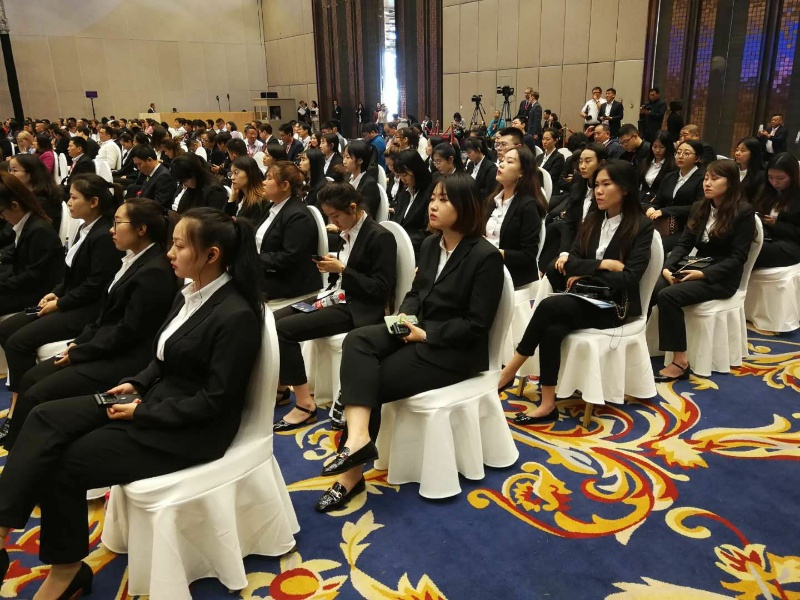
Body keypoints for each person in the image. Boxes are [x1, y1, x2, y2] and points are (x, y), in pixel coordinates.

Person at [0, 208, 262, 598]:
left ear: (211, 255)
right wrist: (137, 383)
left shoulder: (235, 314)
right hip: (152, 399)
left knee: (65, 462)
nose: (169, 253)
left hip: (189, 429)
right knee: (44, 416)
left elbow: (215, 403)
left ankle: (66, 572)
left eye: (178, 246)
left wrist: (143, 410)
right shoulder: (191, 292)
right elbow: (163, 356)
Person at [314, 173, 504, 512]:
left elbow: (476, 326)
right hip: (417, 329)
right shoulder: (430, 245)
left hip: (453, 350)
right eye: (433, 198)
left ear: (466, 206)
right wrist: (405, 316)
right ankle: (358, 440)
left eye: (443, 200)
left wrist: (426, 335)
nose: (433, 205)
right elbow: (417, 292)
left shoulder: (484, 256)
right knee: (358, 340)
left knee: (374, 378)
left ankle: (350, 476)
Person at [3, 199, 177, 451]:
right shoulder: (134, 259)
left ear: (141, 229)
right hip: (102, 344)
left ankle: (22, 454)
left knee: (37, 392)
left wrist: (81, 352)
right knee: (31, 378)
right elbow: (105, 317)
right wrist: (78, 343)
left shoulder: (154, 272)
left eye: (118, 223)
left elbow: (127, 333)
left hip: (123, 359)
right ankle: (18, 450)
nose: (111, 229)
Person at [500, 160, 654, 422]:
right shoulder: (593, 219)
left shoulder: (641, 226)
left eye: (606, 184)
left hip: (615, 305)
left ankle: (509, 372)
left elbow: (628, 278)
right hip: (583, 296)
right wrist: (603, 265)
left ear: (625, 188)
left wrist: (587, 270)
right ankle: (548, 403)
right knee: (552, 330)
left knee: (549, 306)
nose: (598, 191)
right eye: (596, 185)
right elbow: (568, 263)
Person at [0, 174, 124, 442]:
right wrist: (55, 293)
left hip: (86, 310)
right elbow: (70, 274)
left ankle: (18, 409)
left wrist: (60, 303)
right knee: (7, 329)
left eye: (74, 197)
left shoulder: (103, 236)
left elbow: (95, 286)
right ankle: (18, 400)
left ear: (93, 202)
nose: (68, 202)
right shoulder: (85, 228)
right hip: (70, 299)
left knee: (18, 342)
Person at [272, 181, 398, 429]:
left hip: (358, 306)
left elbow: (380, 290)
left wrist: (343, 270)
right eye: (330, 216)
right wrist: (336, 266)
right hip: (336, 295)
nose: (333, 222)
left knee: (282, 330)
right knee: (273, 320)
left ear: (353, 208)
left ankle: (304, 405)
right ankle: (283, 386)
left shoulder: (380, 237)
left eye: (336, 216)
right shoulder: (347, 231)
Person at [654, 160, 755, 381]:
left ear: (731, 183)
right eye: (706, 178)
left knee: (668, 295)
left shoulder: (743, 211)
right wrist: (667, 268)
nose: (707, 183)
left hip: (722, 276)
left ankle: (680, 362)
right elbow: (684, 243)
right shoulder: (700, 206)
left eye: (715, 179)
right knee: (655, 286)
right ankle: (645, 346)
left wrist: (704, 274)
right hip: (697, 263)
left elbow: (738, 257)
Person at [0, 172, 64, 315]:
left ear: (15, 206)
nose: (2, 217)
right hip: (25, 286)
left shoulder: (39, 231)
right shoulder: (26, 224)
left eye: (1, 212)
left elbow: (32, 277)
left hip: (38, 295)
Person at [256, 161, 320, 300]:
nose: (263, 182)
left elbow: (290, 258)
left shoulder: (298, 216)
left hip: (287, 281)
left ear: (285, 185)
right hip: (267, 271)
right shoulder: (272, 207)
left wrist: (254, 258)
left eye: (269, 178)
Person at [486, 146, 547, 288]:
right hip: (487, 266)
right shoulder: (493, 200)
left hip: (512, 277)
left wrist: (495, 252)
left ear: (522, 172)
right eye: (502, 160)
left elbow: (528, 256)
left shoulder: (528, 206)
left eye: (510, 162)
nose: (501, 164)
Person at [647, 139, 704, 252]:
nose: (680, 156)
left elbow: (698, 207)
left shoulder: (702, 179)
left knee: (656, 247)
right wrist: (652, 208)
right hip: (663, 224)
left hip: (687, 227)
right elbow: (658, 201)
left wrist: (665, 211)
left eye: (686, 153)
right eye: (678, 152)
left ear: (697, 158)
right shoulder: (669, 177)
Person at [752, 153, 800, 269]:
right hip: (765, 236)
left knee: (750, 249)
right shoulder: (767, 190)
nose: (774, 183)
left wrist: (776, 225)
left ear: (793, 176)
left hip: (791, 245)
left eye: (781, 178)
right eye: (770, 177)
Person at [391, 150, 434, 256]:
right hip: (399, 246)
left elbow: (428, 232)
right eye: (400, 175)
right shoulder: (405, 192)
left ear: (417, 171)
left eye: (405, 174)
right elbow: (397, 219)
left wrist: (403, 242)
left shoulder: (430, 194)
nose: (403, 179)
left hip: (417, 250)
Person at [8, 153, 63, 230]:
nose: (10, 174)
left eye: (14, 170)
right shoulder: (27, 194)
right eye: (9, 170)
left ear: (30, 174)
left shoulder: (40, 201)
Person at [342, 140, 381, 219]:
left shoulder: (369, 184)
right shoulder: (347, 178)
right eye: (343, 157)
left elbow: (364, 215)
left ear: (360, 160)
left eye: (348, 157)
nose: (344, 161)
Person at [225, 155, 268, 224]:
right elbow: (223, 221)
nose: (232, 177)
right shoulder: (240, 196)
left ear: (249, 174)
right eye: (231, 173)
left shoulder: (259, 202)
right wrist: (232, 198)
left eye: (236, 173)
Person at [638, 131, 677, 205]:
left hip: (659, 203)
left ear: (668, 147)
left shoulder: (673, 165)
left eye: (661, 147)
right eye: (654, 147)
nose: (657, 150)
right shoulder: (644, 162)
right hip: (641, 200)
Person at [733, 137, 765, 203]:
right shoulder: (732, 169)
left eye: (742, 150)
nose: (737, 153)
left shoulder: (761, 176)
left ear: (753, 153)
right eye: (737, 150)